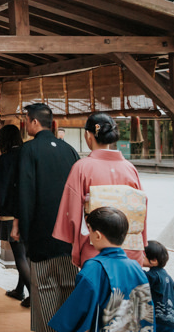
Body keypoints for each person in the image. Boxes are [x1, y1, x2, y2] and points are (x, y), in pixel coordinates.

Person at [47, 207, 159, 332]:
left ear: (97, 235)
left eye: (90, 230)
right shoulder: (135, 267)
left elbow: (80, 304)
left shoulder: (94, 267)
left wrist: (64, 330)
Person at [15, 103, 80, 332]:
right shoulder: (70, 150)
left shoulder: (29, 149)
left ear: (33, 122)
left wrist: (21, 226)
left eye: (26, 120)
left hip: (42, 225)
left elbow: (25, 191)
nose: (25, 124)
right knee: (68, 280)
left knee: (44, 282)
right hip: (69, 227)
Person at [53, 112, 147, 267]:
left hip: (95, 246)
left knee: (98, 289)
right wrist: (141, 241)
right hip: (129, 246)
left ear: (88, 135)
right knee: (128, 290)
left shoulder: (82, 167)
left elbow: (73, 214)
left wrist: (76, 247)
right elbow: (141, 210)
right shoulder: (130, 168)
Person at [0, 124, 31, 306]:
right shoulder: (27, 154)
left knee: (18, 254)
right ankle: (20, 289)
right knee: (25, 253)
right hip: (29, 209)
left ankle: (33, 294)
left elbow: (0, 188)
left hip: (10, 211)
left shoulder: (5, 159)